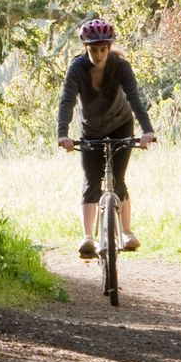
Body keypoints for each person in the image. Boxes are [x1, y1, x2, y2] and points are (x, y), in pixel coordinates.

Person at [56, 17, 157, 259]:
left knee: (118, 179)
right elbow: (67, 100)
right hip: (91, 130)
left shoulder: (120, 66)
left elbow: (134, 97)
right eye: (93, 50)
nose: (98, 55)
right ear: (85, 48)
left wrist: (147, 131)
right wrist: (63, 133)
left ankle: (126, 232)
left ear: (109, 48)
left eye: (103, 49)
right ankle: (88, 237)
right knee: (91, 181)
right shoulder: (77, 69)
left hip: (121, 125)